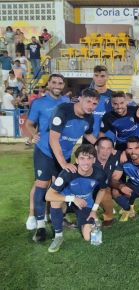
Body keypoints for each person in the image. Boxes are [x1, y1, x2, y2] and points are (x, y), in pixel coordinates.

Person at [31, 88, 99, 242]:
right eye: (88, 101)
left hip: (65, 155)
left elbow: (88, 134)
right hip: (46, 151)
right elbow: (53, 139)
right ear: (80, 99)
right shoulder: (63, 110)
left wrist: (102, 147)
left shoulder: (90, 118)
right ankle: (40, 225)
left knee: (58, 189)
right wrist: (63, 163)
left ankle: (57, 218)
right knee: (42, 185)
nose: (91, 106)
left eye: (95, 103)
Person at [24, 74, 69, 231]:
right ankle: (36, 218)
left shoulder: (66, 102)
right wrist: (33, 134)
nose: (57, 85)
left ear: (63, 85)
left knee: (58, 185)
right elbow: (29, 124)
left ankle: (54, 215)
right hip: (44, 149)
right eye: (54, 82)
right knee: (41, 184)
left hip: (61, 151)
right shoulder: (39, 103)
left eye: (60, 83)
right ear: (48, 84)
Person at [45, 144, 108, 252]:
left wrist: (94, 210)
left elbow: (102, 190)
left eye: (89, 158)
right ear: (77, 160)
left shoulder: (100, 174)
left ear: (94, 160)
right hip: (68, 201)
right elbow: (48, 195)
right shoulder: (68, 172)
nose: (86, 162)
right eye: (82, 158)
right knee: (55, 201)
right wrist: (73, 199)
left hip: (85, 203)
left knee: (88, 237)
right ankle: (58, 236)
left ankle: (90, 220)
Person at [94, 137, 119, 226]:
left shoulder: (114, 158)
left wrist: (123, 153)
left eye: (108, 148)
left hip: (102, 188)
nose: (105, 151)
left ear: (112, 149)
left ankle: (108, 216)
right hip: (85, 190)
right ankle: (93, 216)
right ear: (96, 148)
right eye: (102, 148)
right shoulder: (88, 160)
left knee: (105, 192)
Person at [86, 65, 114, 142]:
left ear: (107, 77)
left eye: (102, 76)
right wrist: (87, 135)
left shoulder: (113, 96)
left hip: (108, 140)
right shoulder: (85, 95)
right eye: (96, 75)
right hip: (89, 139)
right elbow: (79, 116)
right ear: (93, 77)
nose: (99, 79)